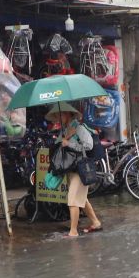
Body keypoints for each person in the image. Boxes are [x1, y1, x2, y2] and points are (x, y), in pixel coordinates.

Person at [47, 102, 102, 238]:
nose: (59, 117)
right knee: (81, 199)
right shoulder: (65, 129)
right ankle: (95, 222)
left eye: (60, 114)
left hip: (80, 169)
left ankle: (73, 231)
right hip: (70, 169)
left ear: (68, 114)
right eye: (57, 115)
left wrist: (70, 143)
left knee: (73, 200)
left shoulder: (79, 128)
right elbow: (59, 146)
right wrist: (65, 139)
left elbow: (88, 146)